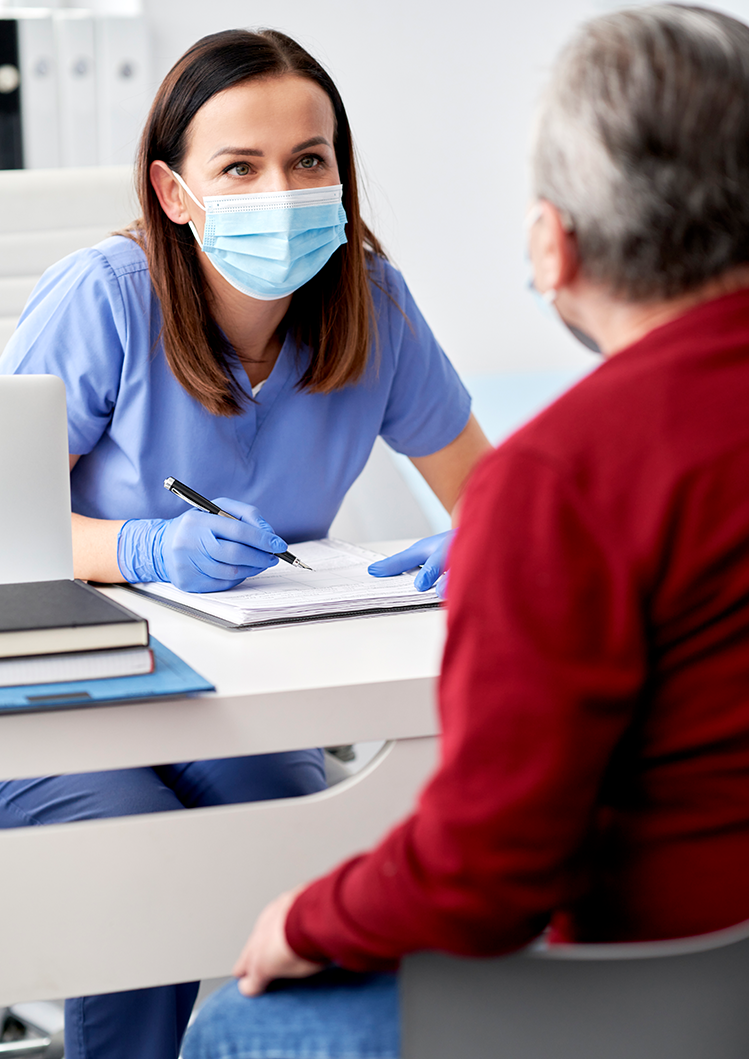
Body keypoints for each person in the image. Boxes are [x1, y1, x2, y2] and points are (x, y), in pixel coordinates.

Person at [180, 6, 749, 1057]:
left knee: (242, 1025)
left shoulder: (564, 474)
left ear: (551, 244)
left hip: (676, 1002)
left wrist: (307, 917)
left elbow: (482, 879)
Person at [0, 27, 491, 1059]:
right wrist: (144, 549)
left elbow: (484, 488)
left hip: (247, 699)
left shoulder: (373, 307)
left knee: (296, 846)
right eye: (239, 166)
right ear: (174, 192)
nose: (282, 190)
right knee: (128, 859)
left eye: (307, 160)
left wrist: (491, 538)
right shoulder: (105, 299)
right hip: (71, 702)